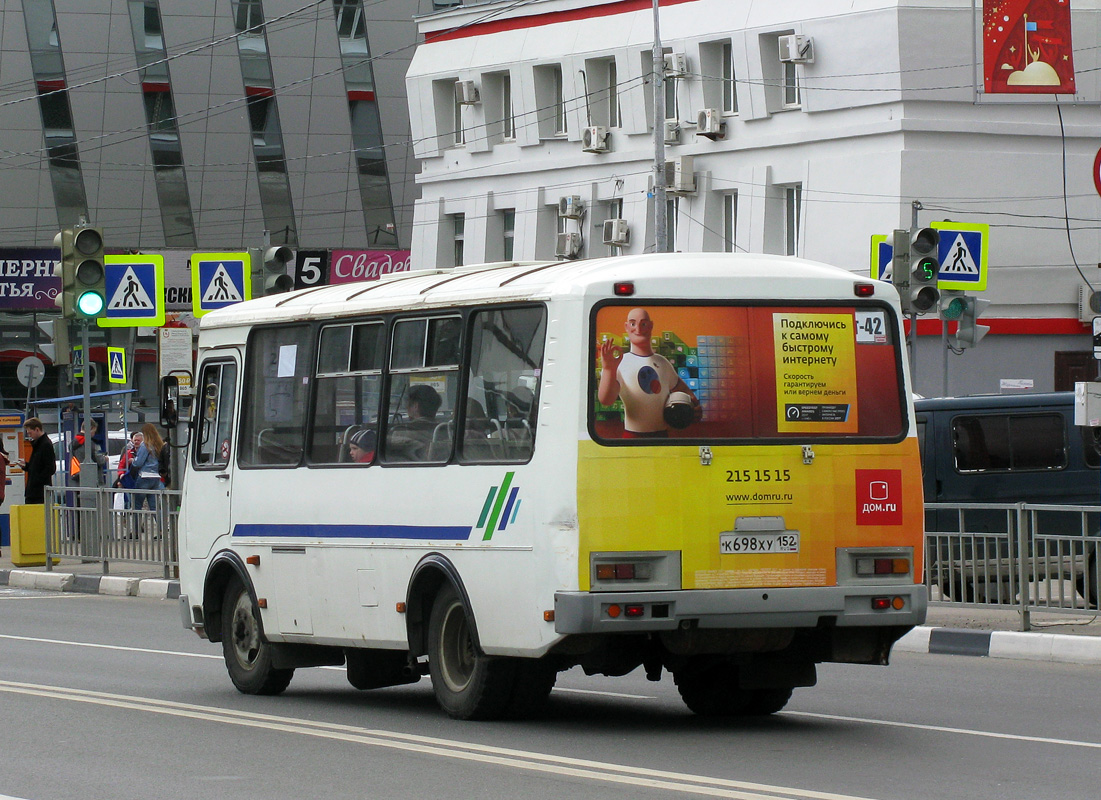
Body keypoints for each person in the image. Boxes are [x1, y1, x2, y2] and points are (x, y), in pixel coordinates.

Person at [597, 307, 699, 438]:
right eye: (633, 324)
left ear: (651, 326)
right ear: (626, 327)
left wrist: (695, 406)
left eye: (643, 323)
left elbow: (684, 391)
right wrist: (608, 369)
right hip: (632, 437)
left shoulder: (663, 362)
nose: (638, 329)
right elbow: (606, 400)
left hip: (662, 437)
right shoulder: (621, 362)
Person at [18, 417, 56, 504]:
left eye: (30, 432)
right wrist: (26, 466)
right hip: (35, 491)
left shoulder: (45, 445)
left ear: (37, 429)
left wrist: (37, 480)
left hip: (39, 492)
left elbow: (50, 468)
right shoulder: (38, 444)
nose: (29, 435)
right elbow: (37, 467)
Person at [129, 423, 166, 511]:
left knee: (137, 506)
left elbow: (138, 463)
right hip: (156, 477)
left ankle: (136, 525)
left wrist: (133, 461)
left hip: (144, 476)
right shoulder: (159, 445)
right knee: (154, 507)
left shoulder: (145, 445)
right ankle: (161, 525)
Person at [70, 418, 107, 484]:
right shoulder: (90, 443)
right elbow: (99, 460)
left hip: (78, 476)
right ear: (90, 428)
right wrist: (104, 458)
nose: (94, 434)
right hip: (92, 478)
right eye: (94, 432)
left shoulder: (72, 443)